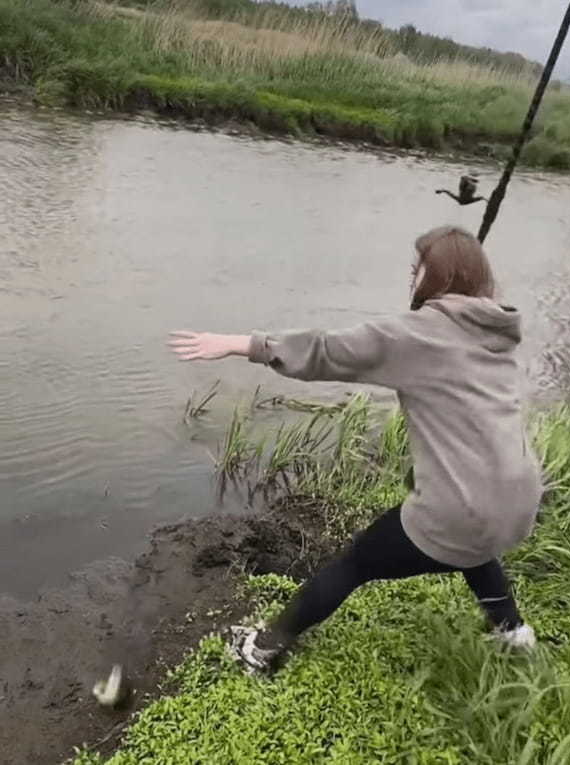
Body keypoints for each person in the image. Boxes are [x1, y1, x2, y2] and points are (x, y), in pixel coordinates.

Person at [168, 225, 543, 672]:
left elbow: (328, 351)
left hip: (463, 509)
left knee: (355, 563)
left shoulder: (419, 335)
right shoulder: (495, 332)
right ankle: (514, 635)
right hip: (519, 503)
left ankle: (262, 648)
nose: (410, 278)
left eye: (416, 269)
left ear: (438, 278)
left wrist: (240, 344)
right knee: (475, 544)